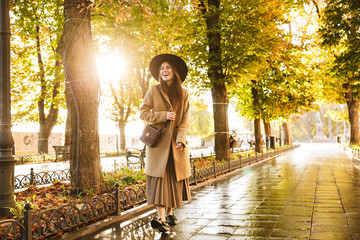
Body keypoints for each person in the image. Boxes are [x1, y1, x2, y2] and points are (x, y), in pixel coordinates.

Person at [140, 54, 191, 233]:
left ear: (175, 71)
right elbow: (143, 113)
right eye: (161, 68)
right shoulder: (153, 90)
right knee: (159, 182)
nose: (164, 71)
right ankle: (161, 218)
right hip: (158, 145)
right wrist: (162, 116)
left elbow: (185, 120)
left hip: (176, 146)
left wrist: (181, 140)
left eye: (167, 67)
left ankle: (169, 213)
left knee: (172, 181)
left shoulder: (184, 93)